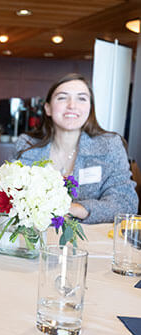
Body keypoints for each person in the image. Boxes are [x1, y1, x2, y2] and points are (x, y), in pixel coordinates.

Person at [16, 73, 138, 224]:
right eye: (62, 97)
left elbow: (125, 202)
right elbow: (13, 197)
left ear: (90, 108)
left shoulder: (109, 146)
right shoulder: (27, 145)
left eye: (81, 98)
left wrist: (74, 209)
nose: (72, 105)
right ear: (48, 108)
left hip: (92, 242)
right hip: (35, 239)